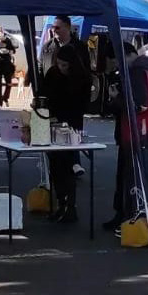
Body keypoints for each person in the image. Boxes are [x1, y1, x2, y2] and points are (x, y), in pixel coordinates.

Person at [103, 42, 148, 233]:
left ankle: (134, 218)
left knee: (134, 175)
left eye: (115, 62)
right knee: (137, 173)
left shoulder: (136, 71)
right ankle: (130, 216)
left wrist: (116, 99)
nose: (116, 67)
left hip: (138, 129)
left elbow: (140, 104)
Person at [40, 44, 89, 223]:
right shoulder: (52, 74)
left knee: (68, 166)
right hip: (52, 124)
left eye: (65, 65)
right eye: (59, 64)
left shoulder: (81, 78)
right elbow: (42, 96)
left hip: (71, 127)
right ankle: (62, 203)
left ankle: (70, 206)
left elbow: (82, 105)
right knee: (55, 166)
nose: (61, 68)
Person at [41, 16, 91, 177]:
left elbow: (86, 73)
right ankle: (58, 167)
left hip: (74, 98)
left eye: (58, 28)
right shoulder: (48, 46)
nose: (54, 31)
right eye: (53, 28)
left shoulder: (80, 47)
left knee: (72, 131)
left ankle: (75, 162)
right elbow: (41, 67)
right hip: (53, 96)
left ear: (68, 28)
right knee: (55, 135)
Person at [0, 26, 16, 107]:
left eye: (1, 31)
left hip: (7, 64)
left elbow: (13, 50)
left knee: (9, 83)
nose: (0, 33)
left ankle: (5, 97)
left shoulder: (7, 40)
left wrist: (8, 49)